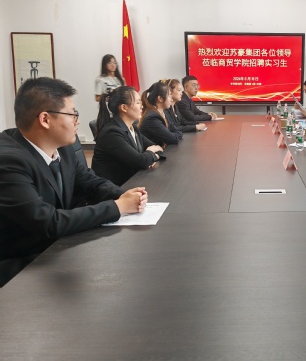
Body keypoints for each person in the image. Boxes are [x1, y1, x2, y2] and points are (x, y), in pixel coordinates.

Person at [0, 77, 147, 261]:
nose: (77, 121)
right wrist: (117, 207)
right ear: (45, 119)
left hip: (59, 248)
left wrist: (123, 194)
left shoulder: (63, 146)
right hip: (23, 262)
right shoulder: (9, 162)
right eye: (72, 114)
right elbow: (48, 222)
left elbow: (88, 180)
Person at [92, 86, 164, 186]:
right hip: (115, 188)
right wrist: (150, 155)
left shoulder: (133, 127)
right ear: (124, 108)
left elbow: (157, 147)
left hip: (131, 180)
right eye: (138, 103)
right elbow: (141, 161)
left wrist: (149, 157)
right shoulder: (112, 133)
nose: (142, 106)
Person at [139, 81, 183, 147]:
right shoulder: (152, 118)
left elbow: (177, 130)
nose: (171, 99)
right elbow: (172, 139)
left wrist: (174, 135)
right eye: (169, 95)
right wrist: (174, 135)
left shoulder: (164, 112)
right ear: (160, 99)